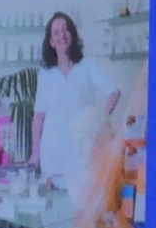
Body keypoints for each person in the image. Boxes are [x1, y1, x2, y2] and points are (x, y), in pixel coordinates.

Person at [30, 10, 119, 196]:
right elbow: (39, 116)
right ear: (51, 42)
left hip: (81, 154)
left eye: (66, 29)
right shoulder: (46, 74)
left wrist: (98, 121)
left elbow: (114, 92)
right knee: (52, 207)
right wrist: (35, 153)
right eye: (56, 32)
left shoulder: (87, 66)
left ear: (72, 34)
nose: (62, 35)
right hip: (52, 155)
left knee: (81, 205)